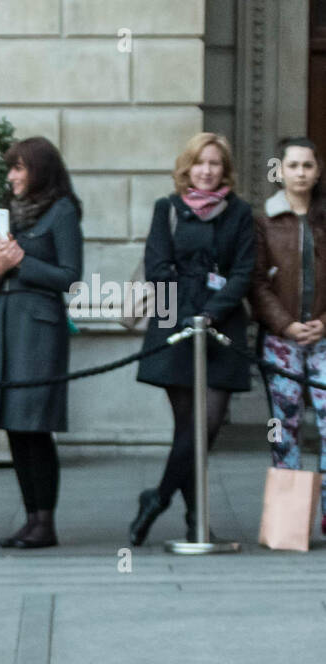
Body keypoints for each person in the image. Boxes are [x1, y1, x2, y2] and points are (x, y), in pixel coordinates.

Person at [130, 133, 255, 544]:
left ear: (225, 170)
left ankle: (157, 496)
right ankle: (195, 518)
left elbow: (242, 272)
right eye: (200, 163)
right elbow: (158, 266)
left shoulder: (239, 213)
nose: (206, 170)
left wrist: (211, 314)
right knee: (188, 428)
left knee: (207, 425)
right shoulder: (166, 209)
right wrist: (185, 319)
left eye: (215, 163)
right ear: (188, 166)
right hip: (173, 324)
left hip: (222, 327)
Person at [0, 137, 83, 550]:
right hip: (4, 325)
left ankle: (44, 521)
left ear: (40, 171)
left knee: (34, 426)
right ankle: (30, 518)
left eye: (20, 168)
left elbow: (70, 276)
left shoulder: (62, 211)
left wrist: (22, 262)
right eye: (11, 169)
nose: (13, 176)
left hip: (38, 330)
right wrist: (0, 266)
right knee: (15, 428)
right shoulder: (11, 215)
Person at [250, 138, 326, 535]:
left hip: (324, 339)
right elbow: (257, 282)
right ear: (279, 170)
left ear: (317, 171)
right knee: (285, 424)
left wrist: (323, 323)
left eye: (307, 165)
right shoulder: (264, 220)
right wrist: (285, 325)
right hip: (281, 340)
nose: (300, 173)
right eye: (293, 165)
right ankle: (289, 523)